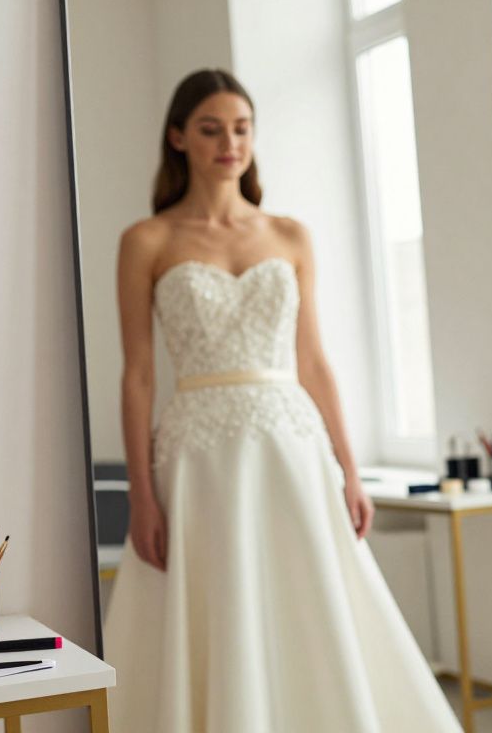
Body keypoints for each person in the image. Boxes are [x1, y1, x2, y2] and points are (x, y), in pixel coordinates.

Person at [102, 69, 460, 732]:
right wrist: (140, 494)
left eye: (241, 128)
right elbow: (137, 377)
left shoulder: (290, 235)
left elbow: (314, 362)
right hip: (198, 456)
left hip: (293, 443)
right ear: (178, 137)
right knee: (219, 606)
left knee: (311, 604)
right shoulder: (146, 241)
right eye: (210, 129)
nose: (228, 143)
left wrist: (350, 470)